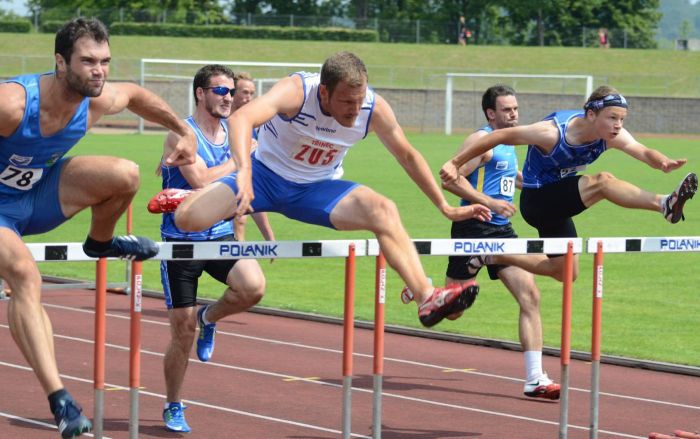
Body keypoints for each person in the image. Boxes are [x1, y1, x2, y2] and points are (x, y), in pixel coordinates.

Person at [150, 51, 492, 328]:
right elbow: (242, 120)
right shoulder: (298, 91)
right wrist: (242, 172)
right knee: (187, 220)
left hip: (317, 190)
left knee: (383, 209)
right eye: (346, 103)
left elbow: (407, 155)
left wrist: (444, 207)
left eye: (359, 102)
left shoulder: (372, 108)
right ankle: (189, 197)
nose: (354, 111)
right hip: (264, 178)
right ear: (324, 92)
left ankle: (426, 296)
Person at [0, 18, 197, 438]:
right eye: (88, 61)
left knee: (125, 174)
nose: (99, 70)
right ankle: (61, 401)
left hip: (37, 197)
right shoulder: (13, 104)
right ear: (59, 62)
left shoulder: (97, 100)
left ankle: (101, 242)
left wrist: (183, 130)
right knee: (24, 275)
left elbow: (137, 96)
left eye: (105, 61)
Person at [440, 85, 697, 281]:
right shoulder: (552, 132)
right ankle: (664, 204)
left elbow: (642, 151)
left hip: (558, 203)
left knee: (566, 273)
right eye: (612, 118)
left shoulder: (612, 135)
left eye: (622, 119)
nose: (618, 126)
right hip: (537, 199)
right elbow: (499, 136)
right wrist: (456, 161)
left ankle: (491, 255)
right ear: (591, 114)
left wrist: (663, 162)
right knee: (602, 181)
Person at [154, 64, 272, 433]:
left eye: (232, 91)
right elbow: (202, 179)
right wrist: (241, 159)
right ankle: (174, 403)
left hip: (219, 237)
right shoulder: (181, 134)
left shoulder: (234, 132)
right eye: (220, 91)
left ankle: (210, 318)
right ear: (200, 94)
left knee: (253, 287)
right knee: (181, 332)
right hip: (181, 245)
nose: (229, 97)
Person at [439, 85, 559, 399]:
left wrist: (540, 187)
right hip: (474, 229)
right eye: (507, 110)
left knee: (530, 295)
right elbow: (451, 179)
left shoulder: (508, 141)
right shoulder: (481, 141)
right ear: (491, 113)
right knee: (452, 311)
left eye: (516, 108)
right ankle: (424, 289)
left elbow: (509, 175)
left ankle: (536, 377)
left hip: (502, 232)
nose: (514, 114)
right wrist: (489, 203)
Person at [231, 71, 259, 241]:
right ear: (233, 92)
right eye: (245, 92)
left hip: (242, 184)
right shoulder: (219, 120)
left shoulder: (254, 125)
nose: (249, 98)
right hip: (214, 186)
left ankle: (238, 257)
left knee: (241, 221)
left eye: (252, 93)